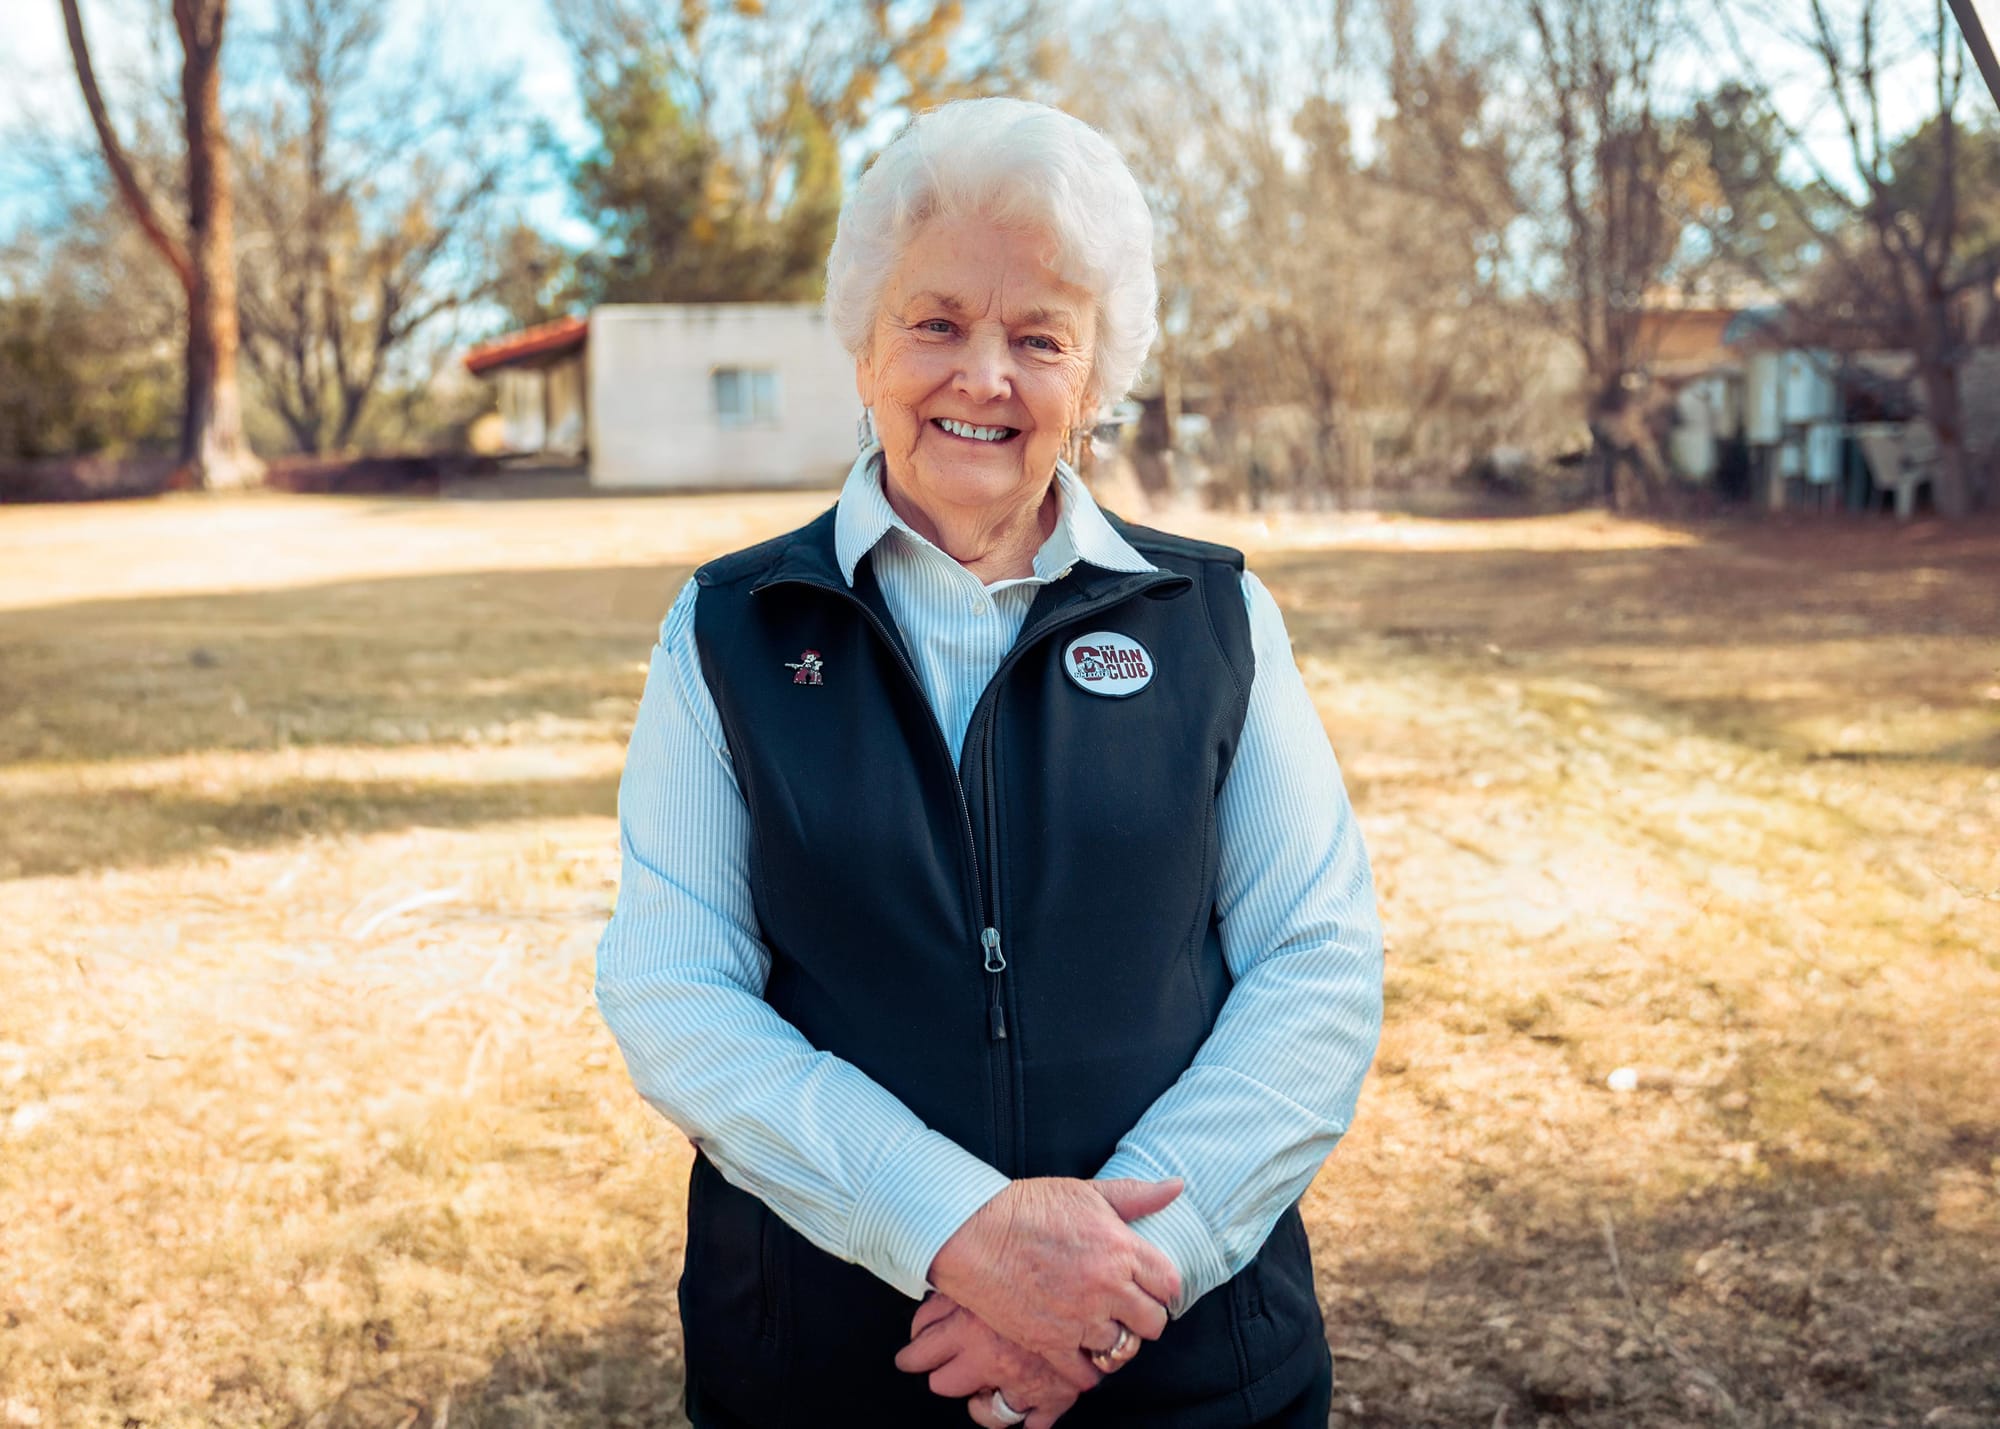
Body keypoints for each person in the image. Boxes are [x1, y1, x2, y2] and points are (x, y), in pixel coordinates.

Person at [595, 97, 1384, 1429]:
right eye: (938, 321)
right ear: (864, 344)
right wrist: (957, 1231)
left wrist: (1119, 1279)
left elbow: (1317, 957)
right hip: (833, 1368)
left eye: (1039, 337)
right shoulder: (728, 627)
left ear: (1092, 381)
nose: (984, 376)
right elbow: (677, 989)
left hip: (1185, 1371)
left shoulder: (1213, 619)